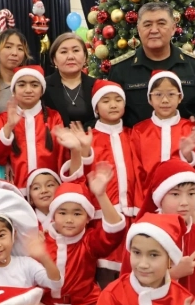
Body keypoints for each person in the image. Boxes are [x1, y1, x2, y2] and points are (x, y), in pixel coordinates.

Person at [42, 170, 127, 305]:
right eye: (62, 213)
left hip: (84, 304)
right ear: (53, 215)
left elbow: (114, 232)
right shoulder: (41, 240)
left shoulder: (89, 240)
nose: (69, 219)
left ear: (88, 217)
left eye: (77, 213)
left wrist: (101, 195)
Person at [61, 80, 143, 274]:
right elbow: (78, 178)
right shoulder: (89, 137)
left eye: (118, 100)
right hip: (102, 217)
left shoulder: (134, 135)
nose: (113, 105)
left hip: (133, 216)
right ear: (96, 108)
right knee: (105, 271)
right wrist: (82, 150)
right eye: (106, 101)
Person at [127, 160, 195, 304]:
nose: (184, 202)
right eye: (175, 194)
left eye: (191, 194)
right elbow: (128, 285)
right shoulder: (143, 232)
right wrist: (173, 274)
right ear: (160, 198)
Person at [106, 2, 195, 127]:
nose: (154, 30)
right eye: (147, 25)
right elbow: (110, 115)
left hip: (185, 138)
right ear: (138, 30)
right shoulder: (120, 69)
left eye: (161, 23)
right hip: (137, 139)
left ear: (173, 28)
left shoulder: (194, 66)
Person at [0, 65, 67, 191]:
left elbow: (62, 156)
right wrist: (9, 127)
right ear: (13, 90)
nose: (28, 90)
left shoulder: (53, 117)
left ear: (42, 90)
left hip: (48, 191)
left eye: (34, 85)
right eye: (22, 85)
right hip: (16, 190)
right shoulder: (3, 119)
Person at [129, 70, 195, 187]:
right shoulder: (139, 131)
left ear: (180, 97)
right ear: (150, 99)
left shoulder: (190, 128)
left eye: (171, 94)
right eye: (158, 94)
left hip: (182, 194)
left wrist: (188, 156)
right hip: (148, 194)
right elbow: (136, 171)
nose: (165, 100)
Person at [43, 33, 96, 126]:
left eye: (76, 50)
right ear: (54, 59)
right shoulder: (43, 87)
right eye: (64, 52)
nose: (70, 56)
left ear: (85, 57)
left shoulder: (97, 86)